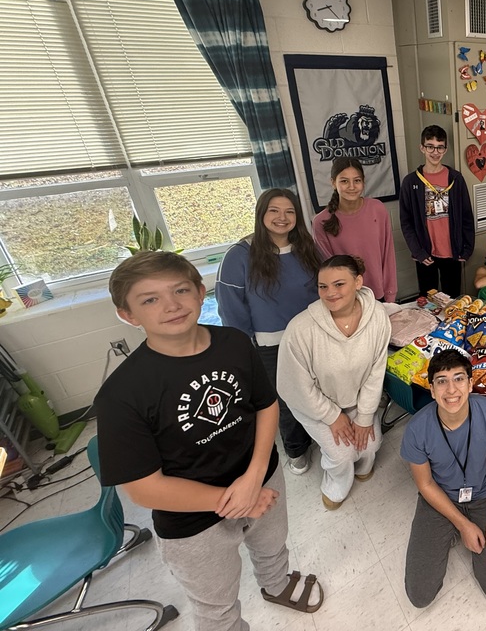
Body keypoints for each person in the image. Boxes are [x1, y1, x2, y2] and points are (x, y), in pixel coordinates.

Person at [95, 251, 323, 631]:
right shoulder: (121, 394)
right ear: (128, 314)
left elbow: (266, 405)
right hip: (192, 520)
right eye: (150, 299)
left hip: (260, 478)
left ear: (202, 293)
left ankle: (276, 584)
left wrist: (253, 480)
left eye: (181, 290)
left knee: (272, 546)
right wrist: (233, 500)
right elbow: (144, 489)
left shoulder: (233, 342)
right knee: (215, 604)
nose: (171, 305)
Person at [216, 188, 320, 476]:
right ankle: (296, 448)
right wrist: (243, 346)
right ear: (261, 214)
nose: (282, 217)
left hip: (312, 335)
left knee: (317, 390)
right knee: (286, 400)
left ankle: (319, 436)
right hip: (270, 345)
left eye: (289, 211)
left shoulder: (306, 247)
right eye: (274, 210)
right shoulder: (240, 255)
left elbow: (323, 288)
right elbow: (231, 308)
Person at [401, 349, 486, 607]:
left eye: (459, 378)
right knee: (419, 595)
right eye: (441, 381)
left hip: (484, 496)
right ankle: (452, 528)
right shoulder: (417, 430)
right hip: (440, 498)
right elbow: (425, 484)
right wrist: (463, 524)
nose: (451, 390)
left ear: (471, 383)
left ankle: (460, 528)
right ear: (431, 389)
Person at [277, 255, 391, 510]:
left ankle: (363, 467)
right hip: (315, 405)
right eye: (323, 286)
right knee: (341, 455)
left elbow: (376, 371)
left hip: (356, 399)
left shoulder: (378, 317)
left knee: (371, 445)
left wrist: (364, 417)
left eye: (339, 284)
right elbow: (293, 387)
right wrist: (332, 416)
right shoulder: (300, 330)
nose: (330, 293)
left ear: (358, 282)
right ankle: (336, 485)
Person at [399, 125, 475, 297]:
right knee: (428, 299)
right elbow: (406, 222)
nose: (435, 152)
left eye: (440, 147)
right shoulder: (411, 182)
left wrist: (467, 248)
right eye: (430, 146)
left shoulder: (455, 179)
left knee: (453, 298)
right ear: (422, 148)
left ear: (445, 149)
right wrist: (418, 252)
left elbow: (466, 216)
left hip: (452, 252)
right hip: (426, 253)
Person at [312, 157, 397, 303]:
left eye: (357, 181)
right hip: (346, 300)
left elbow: (388, 255)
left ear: (363, 182)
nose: (351, 186)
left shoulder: (377, 209)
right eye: (344, 181)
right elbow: (329, 271)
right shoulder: (321, 222)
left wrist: (390, 295)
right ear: (333, 183)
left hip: (378, 295)